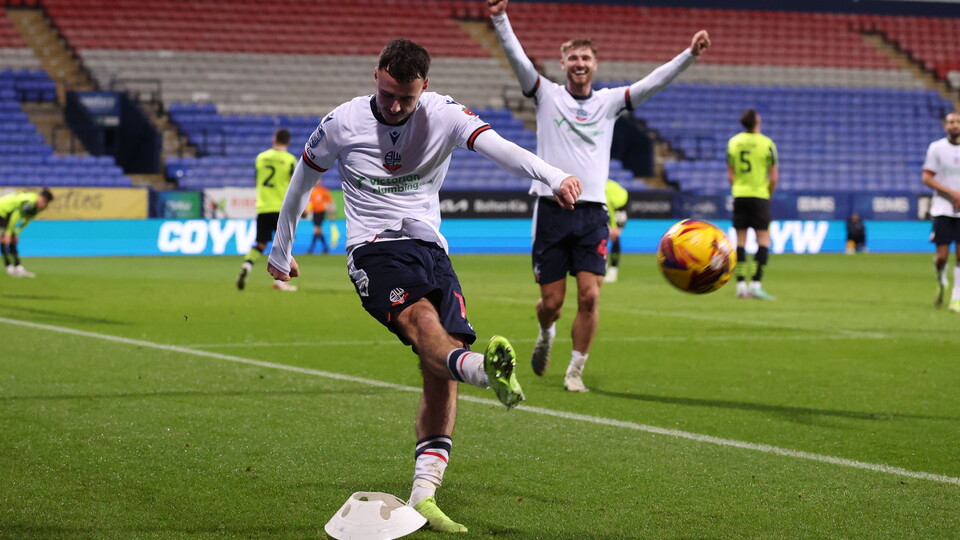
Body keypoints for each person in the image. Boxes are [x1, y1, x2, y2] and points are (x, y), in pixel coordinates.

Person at [266, 39, 582, 532]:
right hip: (373, 248)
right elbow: (302, 181)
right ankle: (483, 371)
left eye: (406, 99)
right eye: (389, 94)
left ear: (425, 88)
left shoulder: (444, 113)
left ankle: (424, 495)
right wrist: (281, 251)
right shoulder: (342, 122)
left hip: (432, 250)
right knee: (423, 325)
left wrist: (554, 175)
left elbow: (501, 148)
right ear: (376, 75)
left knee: (440, 359)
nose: (395, 107)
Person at [488, 0, 710, 392]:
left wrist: (688, 56)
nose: (579, 62)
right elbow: (519, 60)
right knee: (552, 303)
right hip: (552, 208)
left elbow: (652, 83)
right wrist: (500, 18)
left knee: (590, 296)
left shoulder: (609, 102)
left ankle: (575, 370)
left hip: (593, 214)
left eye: (585, 57)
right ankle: (546, 332)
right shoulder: (546, 95)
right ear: (562, 64)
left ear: (595, 63)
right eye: (572, 56)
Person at [236, 128, 298, 292]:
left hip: (263, 207)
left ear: (274, 139)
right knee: (285, 245)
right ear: (288, 141)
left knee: (261, 243)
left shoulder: (261, 158)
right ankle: (280, 282)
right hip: (282, 209)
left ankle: (247, 265)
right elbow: (294, 185)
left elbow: (257, 181)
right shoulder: (290, 160)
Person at [727, 109, 778, 300]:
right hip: (759, 195)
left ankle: (741, 286)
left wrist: (739, 188)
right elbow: (773, 176)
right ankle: (756, 284)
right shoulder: (767, 143)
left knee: (740, 241)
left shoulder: (734, 142)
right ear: (757, 120)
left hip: (739, 194)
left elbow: (730, 175)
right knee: (763, 240)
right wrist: (768, 193)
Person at [922, 111, 960, 311]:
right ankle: (941, 279)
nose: (955, 125)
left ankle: (957, 298)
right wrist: (952, 194)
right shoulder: (937, 148)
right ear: (945, 126)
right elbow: (927, 177)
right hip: (942, 209)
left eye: (958, 122)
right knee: (942, 257)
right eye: (951, 122)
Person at [0, 188, 53, 278]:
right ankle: (9, 267)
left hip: (8, 213)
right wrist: (8, 233)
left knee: (12, 239)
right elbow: (15, 215)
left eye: (45, 202)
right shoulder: (29, 203)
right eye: (42, 200)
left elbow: (27, 219)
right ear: (40, 196)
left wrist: (16, 232)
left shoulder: (39, 207)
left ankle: (18, 267)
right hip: (2, 210)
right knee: (4, 238)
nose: (42, 203)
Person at [603, 179, 629, 283]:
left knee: (614, 237)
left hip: (617, 209)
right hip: (602, 211)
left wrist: (618, 226)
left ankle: (613, 271)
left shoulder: (612, 190)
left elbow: (621, 207)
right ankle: (601, 268)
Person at [307, 180, 336, 254]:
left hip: (321, 212)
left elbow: (330, 201)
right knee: (318, 231)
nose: (318, 182)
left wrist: (331, 214)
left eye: (319, 181)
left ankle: (311, 249)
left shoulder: (323, 190)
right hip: (314, 213)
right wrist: (308, 211)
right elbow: (309, 203)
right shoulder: (312, 191)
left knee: (317, 229)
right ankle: (325, 248)